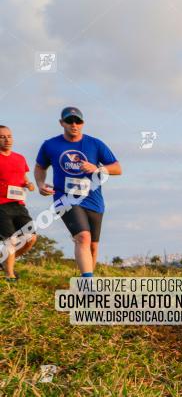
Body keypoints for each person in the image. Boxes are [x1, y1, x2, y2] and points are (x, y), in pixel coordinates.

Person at [34, 107, 122, 277]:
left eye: (78, 121)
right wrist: (39, 183)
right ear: (62, 123)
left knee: (93, 246)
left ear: (83, 123)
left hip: (93, 200)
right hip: (64, 198)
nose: (74, 124)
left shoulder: (95, 144)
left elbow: (117, 168)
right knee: (83, 237)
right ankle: (87, 284)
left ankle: (87, 283)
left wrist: (97, 168)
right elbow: (40, 167)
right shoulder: (50, 145)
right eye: (69, 121)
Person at [0, 125, 37, 281]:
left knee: (31, 238)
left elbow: (23, 178)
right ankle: (10, 276)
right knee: (11, 239)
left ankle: (3, 262)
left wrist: (29, 184)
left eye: (9, 136)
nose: (7, 139)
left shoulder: (20, 158)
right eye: (2, 137)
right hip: (1, 205)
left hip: (19, 204)